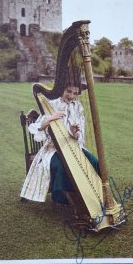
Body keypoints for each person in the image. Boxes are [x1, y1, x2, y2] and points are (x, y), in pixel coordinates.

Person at [20, 82, 100, 211]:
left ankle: (89, 194)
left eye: (75, 93)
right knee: (61, 165)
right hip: (52, 148)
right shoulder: (51, 105)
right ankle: (61, 196)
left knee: (94, 161)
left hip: (72, 146)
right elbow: (37, 127)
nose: (71, 96)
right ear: (61, 90)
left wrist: (75, 133)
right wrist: (51, 118)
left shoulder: (77, 107)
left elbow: (80, 134)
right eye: (68, 91)